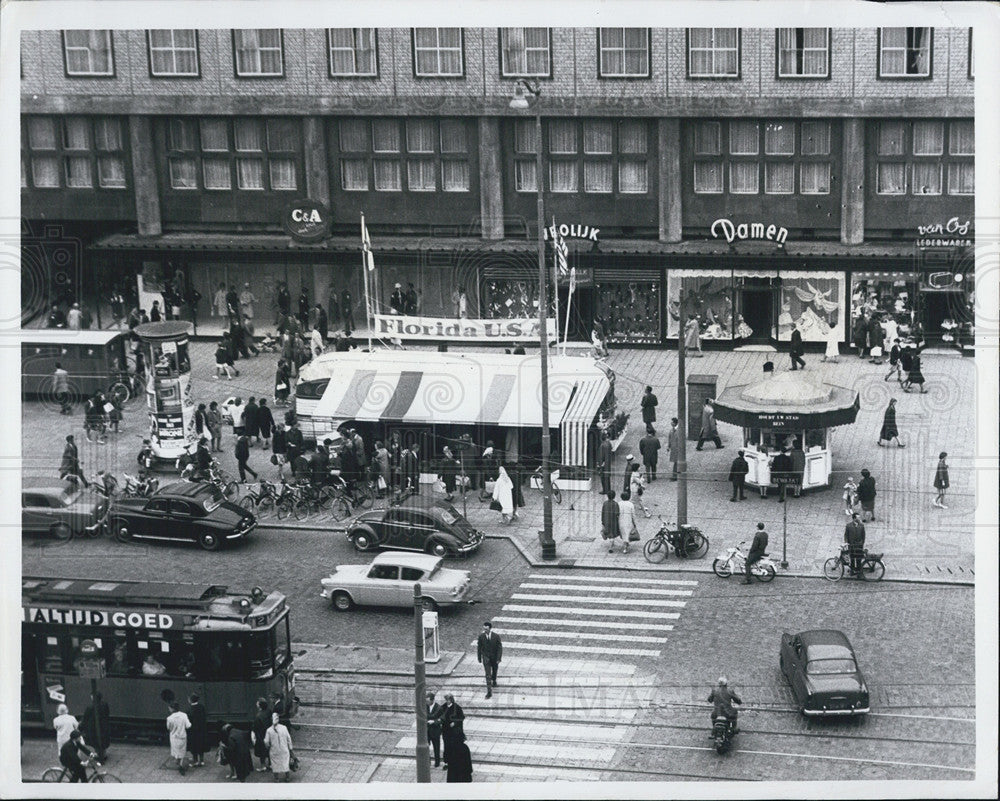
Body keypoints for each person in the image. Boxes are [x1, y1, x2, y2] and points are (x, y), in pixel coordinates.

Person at [264, 711, 295, 782]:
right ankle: (287, 777)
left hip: (274, 750)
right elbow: (289, 739)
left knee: (275, 764)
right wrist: (290, 749)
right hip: (284, 749)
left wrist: (268, 747)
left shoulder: (269, 730)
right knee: (285, 763)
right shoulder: (284, 728)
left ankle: (276, 778)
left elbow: (266, 742)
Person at [80, 692, 110, 761]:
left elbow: (85, 718)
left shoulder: (90, 707)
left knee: (96, 741)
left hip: (93, 728)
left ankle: (99, 755)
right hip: (103, 726)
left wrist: (81, 727)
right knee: (103, 740)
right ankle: (103, 754)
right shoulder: (104, 704)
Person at [476, 621, 503, 698]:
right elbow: (479, 647)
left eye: (487, 629)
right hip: (486, 658)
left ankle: (494, 680)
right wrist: (479, 657)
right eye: (484, 629)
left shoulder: (496, 636)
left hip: (494, 658)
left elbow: (499, 648)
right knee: (488, 675)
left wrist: (499, 658)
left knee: (494, 671)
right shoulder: (481, 637)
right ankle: (489, 692)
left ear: (490, 629)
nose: (485, 631)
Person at [440, 694, 466, 769]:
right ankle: (446, 762)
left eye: (448, 700)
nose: (447, 701)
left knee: (454, 746)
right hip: (446, 731)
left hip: (454, 732)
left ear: (451, 700)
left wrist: (455, 723)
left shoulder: (457, 708)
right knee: (446, 746)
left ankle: (455, 761)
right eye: (446, 700)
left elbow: (462, 717)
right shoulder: (443, 707)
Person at [165, 700, 190, 775]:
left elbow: (168, 728)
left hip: (174, 737)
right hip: (183, 736)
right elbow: (188, 725)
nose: (169, 709)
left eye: (169, 708)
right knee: (182, 750)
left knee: (176, 749)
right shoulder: (184, 715)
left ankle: (177, 761)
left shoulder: (169, 718)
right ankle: (181, 763)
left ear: (172, 709)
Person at [187, 694, 207, 767]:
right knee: (201, 745)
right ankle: (201, 760)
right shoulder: (201, 707)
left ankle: (195, 761)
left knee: (194, 746)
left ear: (190, 700)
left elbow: (189, 721)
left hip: (193, 731)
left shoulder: (189, 709)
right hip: (201, 730)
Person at [251, 698, 272, 771]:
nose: (256, 704)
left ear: (260, 706)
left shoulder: (258, 716)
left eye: (257, 703)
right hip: (269, 734)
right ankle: (270, 764)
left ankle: (263, 766)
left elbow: (256, 727)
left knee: (261, 751)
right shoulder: (268, 711)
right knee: (269, 749)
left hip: (261, 735)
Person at [844, 512, 866, 577]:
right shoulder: (848, 526)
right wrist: (846, 542)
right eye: (857, 518)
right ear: (854, 518)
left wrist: (862, 543)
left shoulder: (861, 526)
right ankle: (852, 570)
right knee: (852, 558)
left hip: (859, 545)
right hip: (851, 545)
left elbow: (863, 535)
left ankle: (859, 572)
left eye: (859, 517)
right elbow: (846, 535)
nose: (859, 519)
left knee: (859, 559)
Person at [426, 692, 444, 767]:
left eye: (428, 701)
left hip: (435, 730)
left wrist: (433, 721)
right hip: (427, 730)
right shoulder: (425, 706)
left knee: (436, 747)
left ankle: (437, 762)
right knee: (426, 747)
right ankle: (427, 761)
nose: (427, 702)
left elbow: (442, 719)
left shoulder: (439, 708)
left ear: (432, 700)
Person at [597, 430, 613, 494]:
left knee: (603, 478)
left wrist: (600, 464)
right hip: (607, 463)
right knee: (607, 477)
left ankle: (605, 490)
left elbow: (601, 456)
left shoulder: (602, 445)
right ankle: (608, 489)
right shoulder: (609, 443)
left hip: (603, 464)